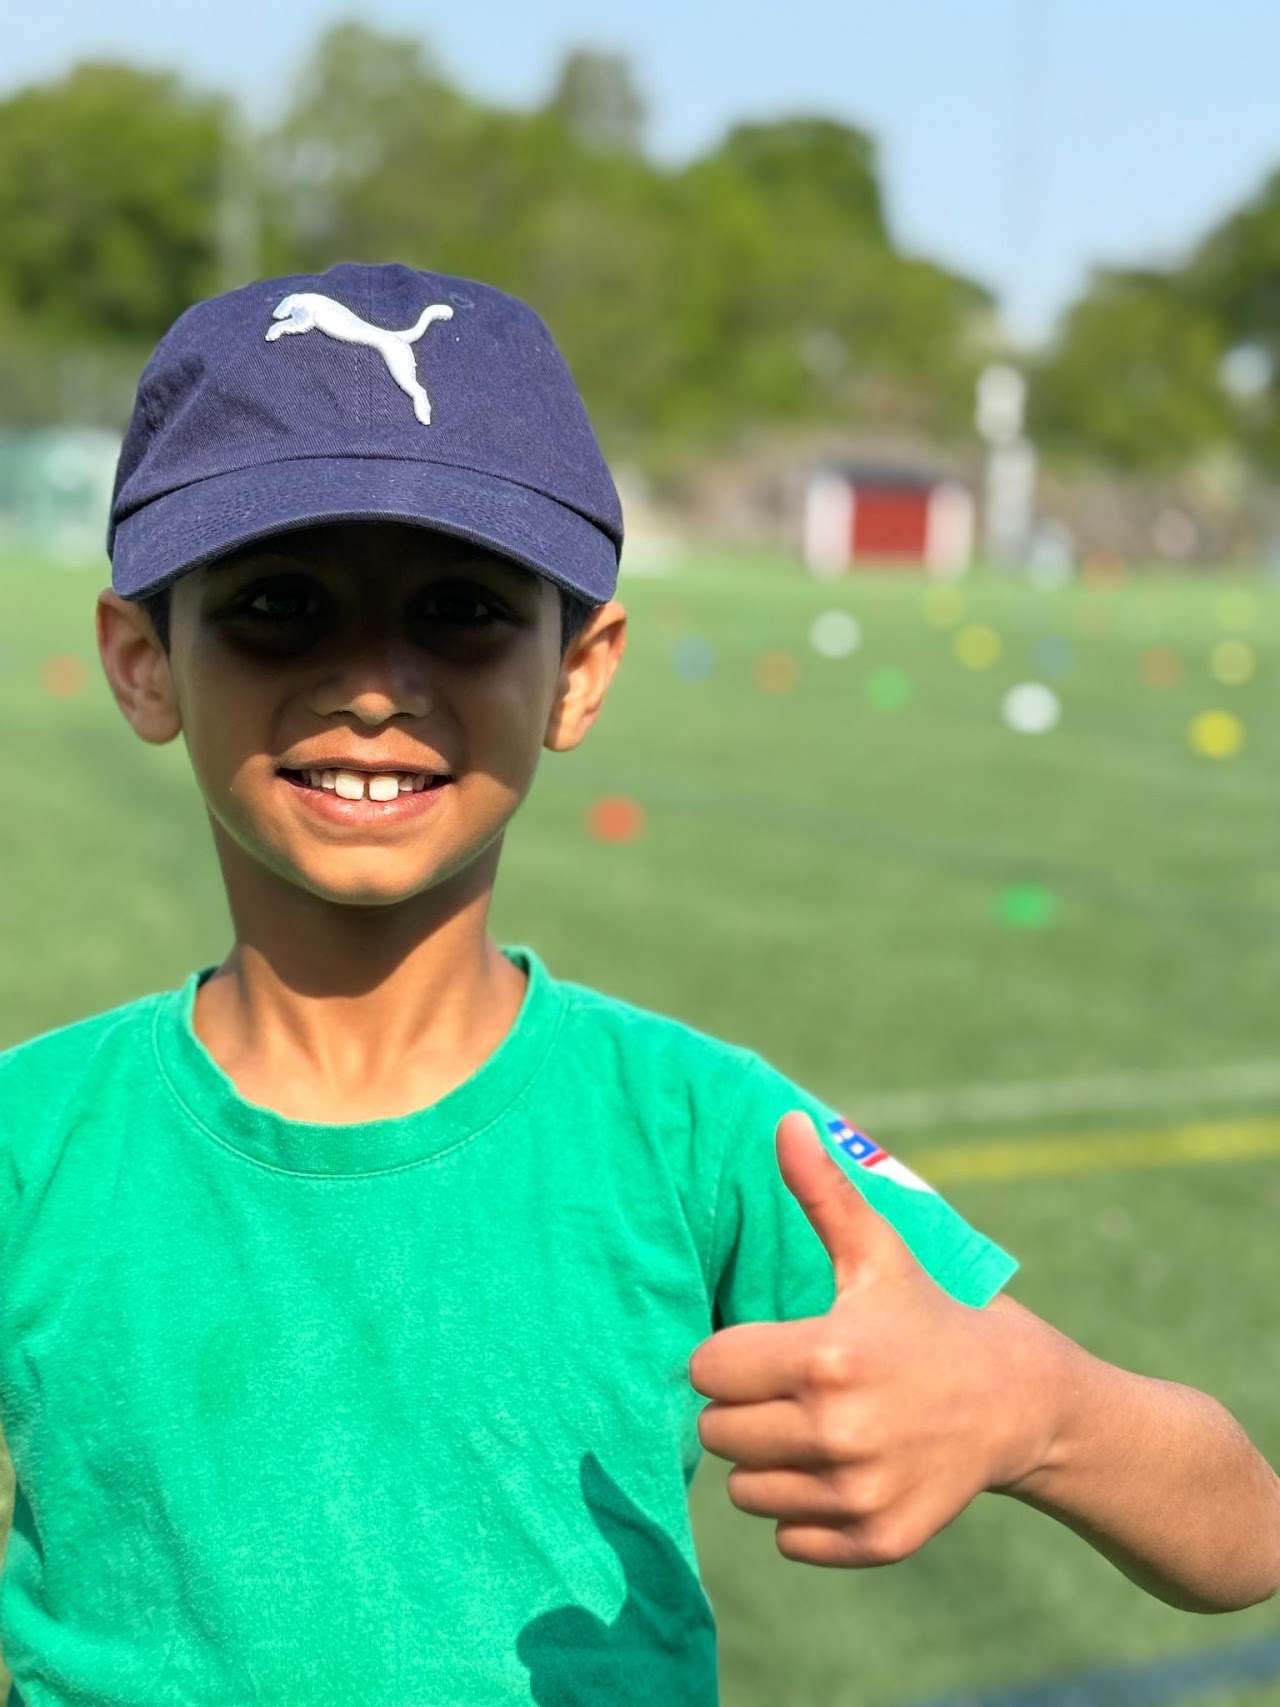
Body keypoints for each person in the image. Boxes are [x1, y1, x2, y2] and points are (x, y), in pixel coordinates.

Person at [1, 262, 1276, 1707]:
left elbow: (1244, 1533)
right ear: (142, 661)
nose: (373, 685)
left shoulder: (702, 1130)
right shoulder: (33, 1142)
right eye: (279, 605)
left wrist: (1037, 1411)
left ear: (581, 670)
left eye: (462, 609)